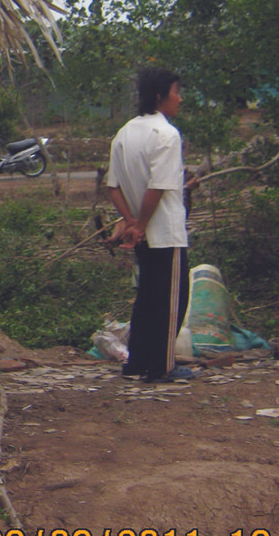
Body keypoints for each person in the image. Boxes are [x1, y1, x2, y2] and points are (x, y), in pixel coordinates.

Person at [106, 67, 193, 383]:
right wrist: (140, 224)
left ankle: (137, 361)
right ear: (160, 96)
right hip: (165, 233)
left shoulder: (125, 133)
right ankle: (162, 365)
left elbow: (112, 186)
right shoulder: (167, 135)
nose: (179, 99)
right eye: (175, 92)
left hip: (140, 234)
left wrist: (130, 221)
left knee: (146, 297)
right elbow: (156, 188)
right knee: (171, 300)